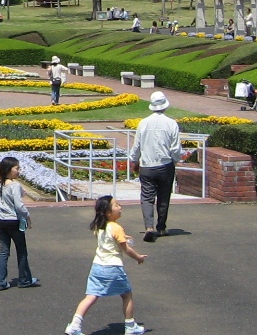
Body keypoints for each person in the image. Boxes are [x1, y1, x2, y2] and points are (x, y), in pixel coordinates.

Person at [64, 195, 147, 335]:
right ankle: (130, 326)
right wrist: (138, 257)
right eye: (116, 205)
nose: (120, 207)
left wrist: (124, 238)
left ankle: (74, 325)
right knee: (127, 295)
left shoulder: (99, 226)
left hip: (97, 266)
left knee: (90, 296)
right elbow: (125, 249)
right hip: (113, 267)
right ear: (108, 212)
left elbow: (109, 239)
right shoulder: (116, 227)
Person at [129, 90, 182, 242]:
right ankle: (161, 226)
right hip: (165, 165)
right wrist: (175, 160)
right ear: (165, 105)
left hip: (147, 165)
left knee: (147, 197)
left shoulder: (143, 123)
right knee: (164, 197)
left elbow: (137, 145)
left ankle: (149, 227)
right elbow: (175, 148)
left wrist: (134, 160)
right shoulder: (171, 123)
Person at [0, 156, 38, 290]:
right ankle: (24, 279)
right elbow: (19, 206)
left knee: (4, 251)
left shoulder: (1, 184)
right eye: (17, 168)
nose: (19, 170)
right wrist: (28, 216)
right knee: (21, 251)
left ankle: (0, 281)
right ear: (9, 170)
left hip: (1, 220)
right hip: (13, 221)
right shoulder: (15, 185)